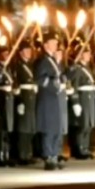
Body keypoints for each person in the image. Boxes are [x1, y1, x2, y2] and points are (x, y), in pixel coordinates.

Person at [33, 31, 68, 170]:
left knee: (57, 128)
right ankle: (48, 157)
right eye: (53, 43)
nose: (56, 45)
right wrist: (55, 83)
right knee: (49, 129)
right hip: (47, 99)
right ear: (46, 45)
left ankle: (55, 154)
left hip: (56, 99)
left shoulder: (54, 61)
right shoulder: (42, 61)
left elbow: (59, 77)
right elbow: (40, 79)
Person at [66, 44, 95, 159]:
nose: (89, 55)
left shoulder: (89, 67)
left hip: (90, 97)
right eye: (86, 53)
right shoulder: (76, 69)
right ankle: (79, 149)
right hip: (82, 97)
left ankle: (85, 147)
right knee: (82, 125)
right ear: (80, 56)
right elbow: (72, 85)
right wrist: (75, 102)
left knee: (89, 124)